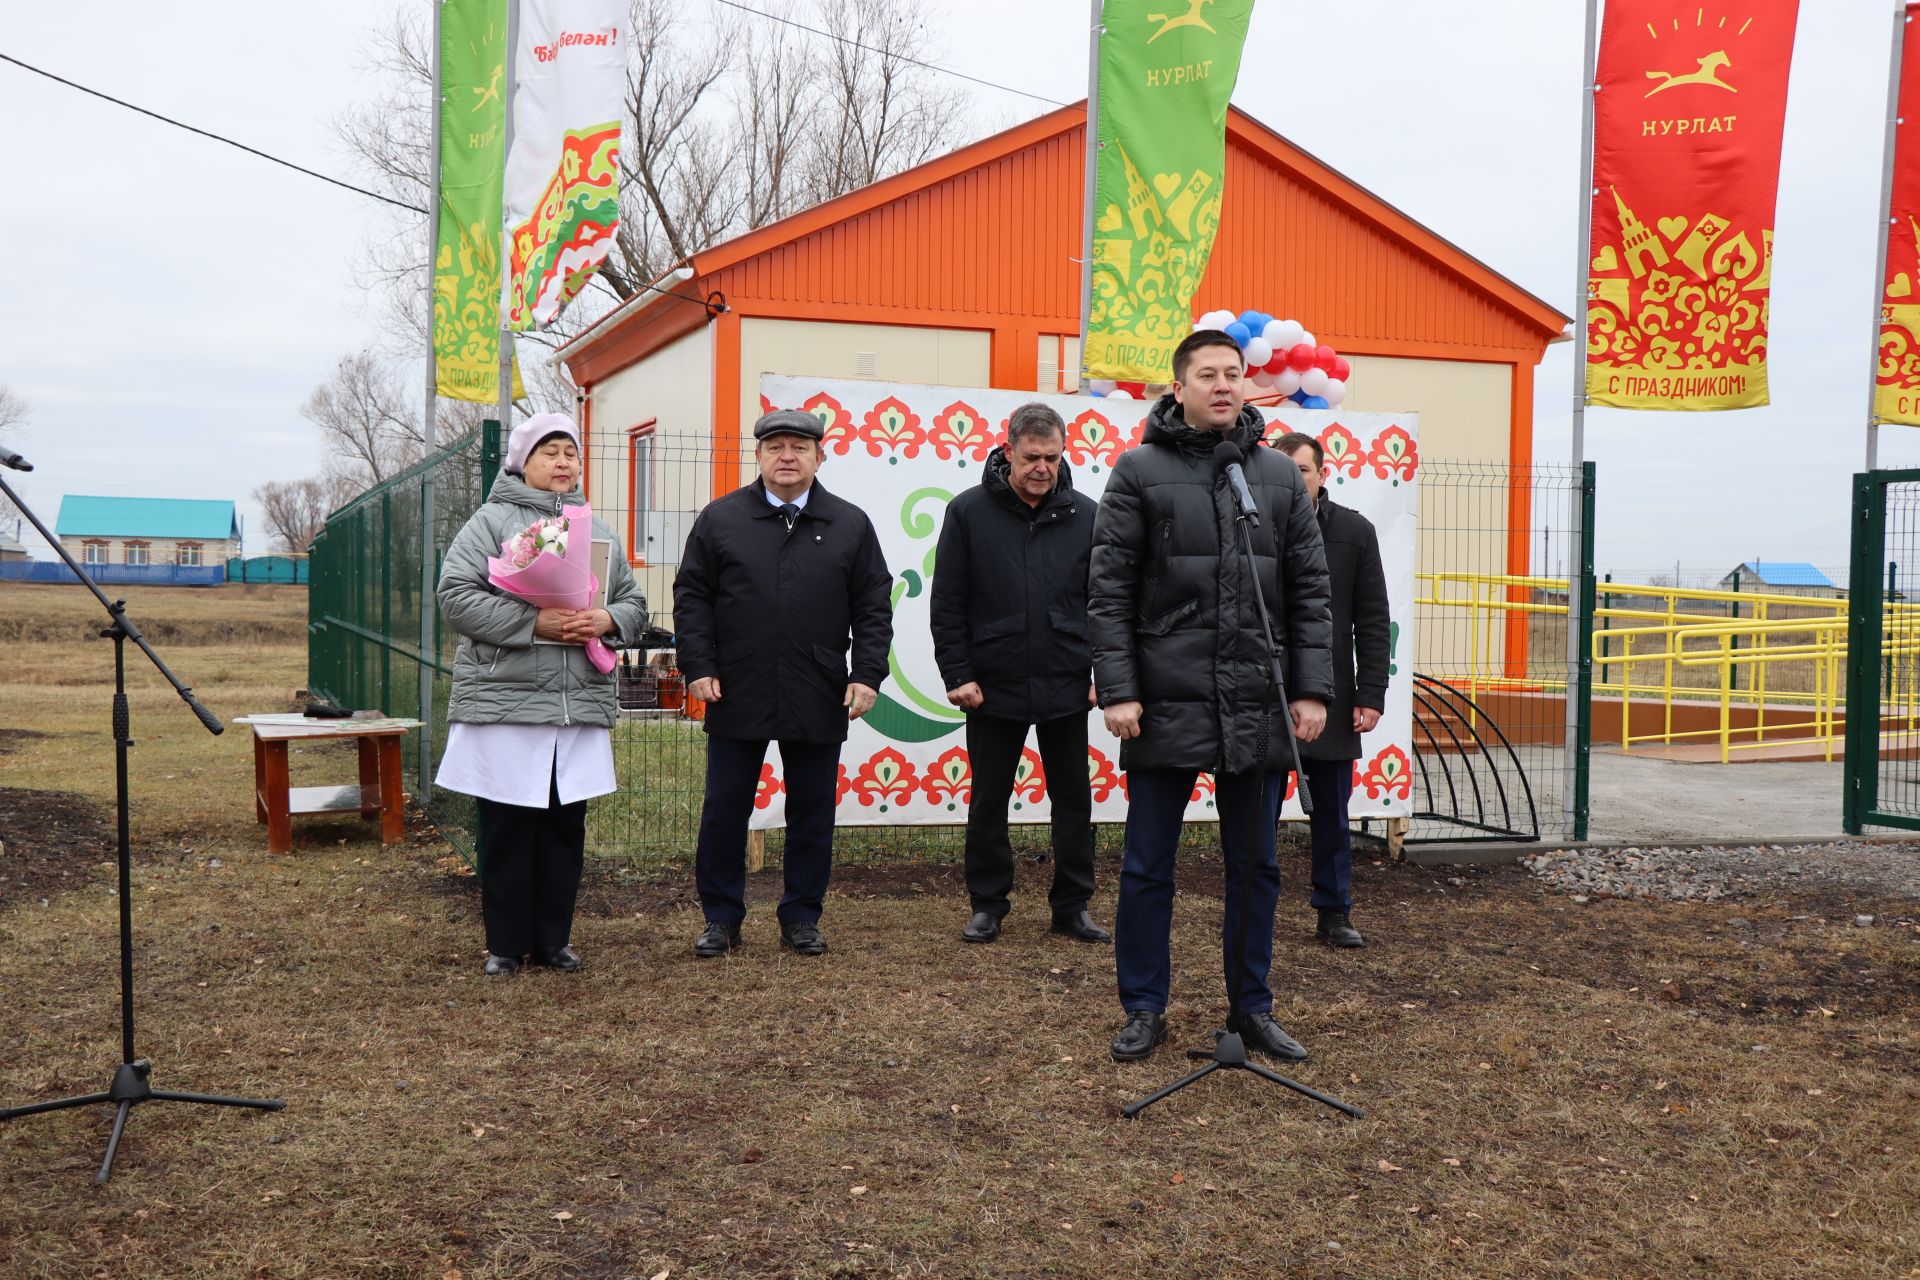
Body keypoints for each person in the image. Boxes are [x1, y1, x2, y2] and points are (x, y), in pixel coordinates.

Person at [1088, 329, 1334, 1064]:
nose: (1223, 385)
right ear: (1180, 387)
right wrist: (1120, 691)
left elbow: (1309, 593)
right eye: (1207, 375)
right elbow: (1108, 593)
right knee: (1147, 865)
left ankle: (1251, 1008)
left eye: (1233, 373)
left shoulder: (1279, 479)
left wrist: (1312, 688)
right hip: (1165, 700)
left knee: (1255, 866)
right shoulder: (1137, 471)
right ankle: (1143, 1007)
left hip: (1257, 700)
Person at [675, 409, 894, 958]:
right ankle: (721, 918)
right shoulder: (721, 519)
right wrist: (698, 666)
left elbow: (873, 605)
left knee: (812, 810)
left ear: (821, 456)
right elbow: (692, 597)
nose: (788, 456)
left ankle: (801, 916)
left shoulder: (850, 523)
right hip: (735, 684)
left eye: (800, 446)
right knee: (725, 807)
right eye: (776, 446)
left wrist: (866, 674)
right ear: (759, 455)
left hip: (818, 685)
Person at [436, 414, 648, 977]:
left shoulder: (595, 527)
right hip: (507, 701)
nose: (562, 463)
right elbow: (456, 597)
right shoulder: (488, 522)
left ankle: (553, 940)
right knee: (506, 827)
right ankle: (505, 945)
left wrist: (604, 617)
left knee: (562, 827)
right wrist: (537, 623)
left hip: (575, 705)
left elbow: (632, 602)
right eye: (549, 452)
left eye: (570, 454)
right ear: (521, 461)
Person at [930, 402, 1110, 946]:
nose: (1042, 467)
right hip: (992, 682)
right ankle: (988, 905)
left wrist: (1106, 672)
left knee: (1074, 800)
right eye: (1032, 456)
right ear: (1007, 450)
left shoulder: (1088, 514)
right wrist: (957, 673)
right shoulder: (967, 513)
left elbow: (1105, 602)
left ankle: (1072, 906)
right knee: (988, 798)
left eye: (1053, 457)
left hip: (1068, 680)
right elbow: (948, 601)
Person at [1274, 432, 1391, 949]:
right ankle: (1253, 906)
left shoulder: (1354, 532)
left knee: (1332, 815)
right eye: (1285, 470)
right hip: (1266, 694)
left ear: (1323, 473)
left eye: (1304, 469)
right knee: (1254, 813)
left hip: (1334, 695)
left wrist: (1371, 693)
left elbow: (1372, 620)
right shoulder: (1251, 527)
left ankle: (1334, 911)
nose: (1296, 479)